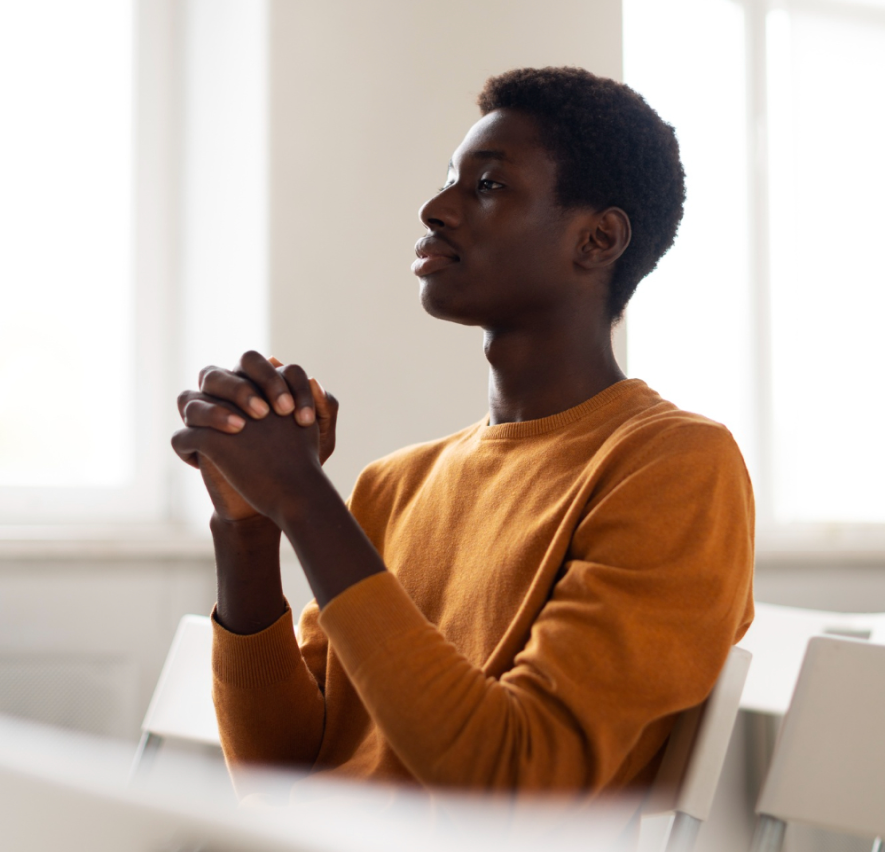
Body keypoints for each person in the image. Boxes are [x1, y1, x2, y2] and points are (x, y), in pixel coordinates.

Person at [172, 67, 754, 797]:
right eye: (448, 179)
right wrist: (250, 528)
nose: (434, 207)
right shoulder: (395, 485)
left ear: (597, 238)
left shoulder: (673, 466)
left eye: (485, 185)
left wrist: (302, 498)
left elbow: (514, 780)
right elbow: (279, 782)